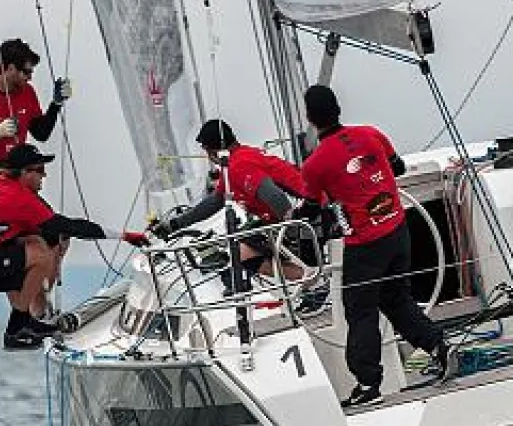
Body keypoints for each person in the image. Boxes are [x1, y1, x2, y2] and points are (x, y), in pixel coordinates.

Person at [300, 86, 452, 408]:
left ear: (311, 119)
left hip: (365, 244)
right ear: (339, 107)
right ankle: (439, 347)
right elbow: (396, 168)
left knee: (361, 311)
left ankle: (368, 384)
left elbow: (311, 209)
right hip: (399, 231)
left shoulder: (314, 164)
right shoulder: (371, 134)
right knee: (397, 300)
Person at [0, 144, 149, 350]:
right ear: (25, 173)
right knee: (39, 254)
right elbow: (69, 226)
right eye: (40, 170)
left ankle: (27, 319)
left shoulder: (0, 184)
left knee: (33, 244)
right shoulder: (18, 198)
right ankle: (17, 329)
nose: (44, 176)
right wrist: (125, 236)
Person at [152, 119, 318, 285]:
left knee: (243, 253)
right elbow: (215, 202)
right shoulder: (238, 160)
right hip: (301, 211)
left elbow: (276, 197)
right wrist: (175, 224)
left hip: (309, 213)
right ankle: (307, 277)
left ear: (213, 151)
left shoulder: (239, 166)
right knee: (242, 242)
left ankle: (309, 278)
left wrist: (291, 233)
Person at [0, 38, 73, 191]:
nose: (30, 77)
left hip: (15, 182)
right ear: (10, 68)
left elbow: (41, 133)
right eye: (26, 72)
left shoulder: (27, 92)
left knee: (45, 214)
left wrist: (56, 104)